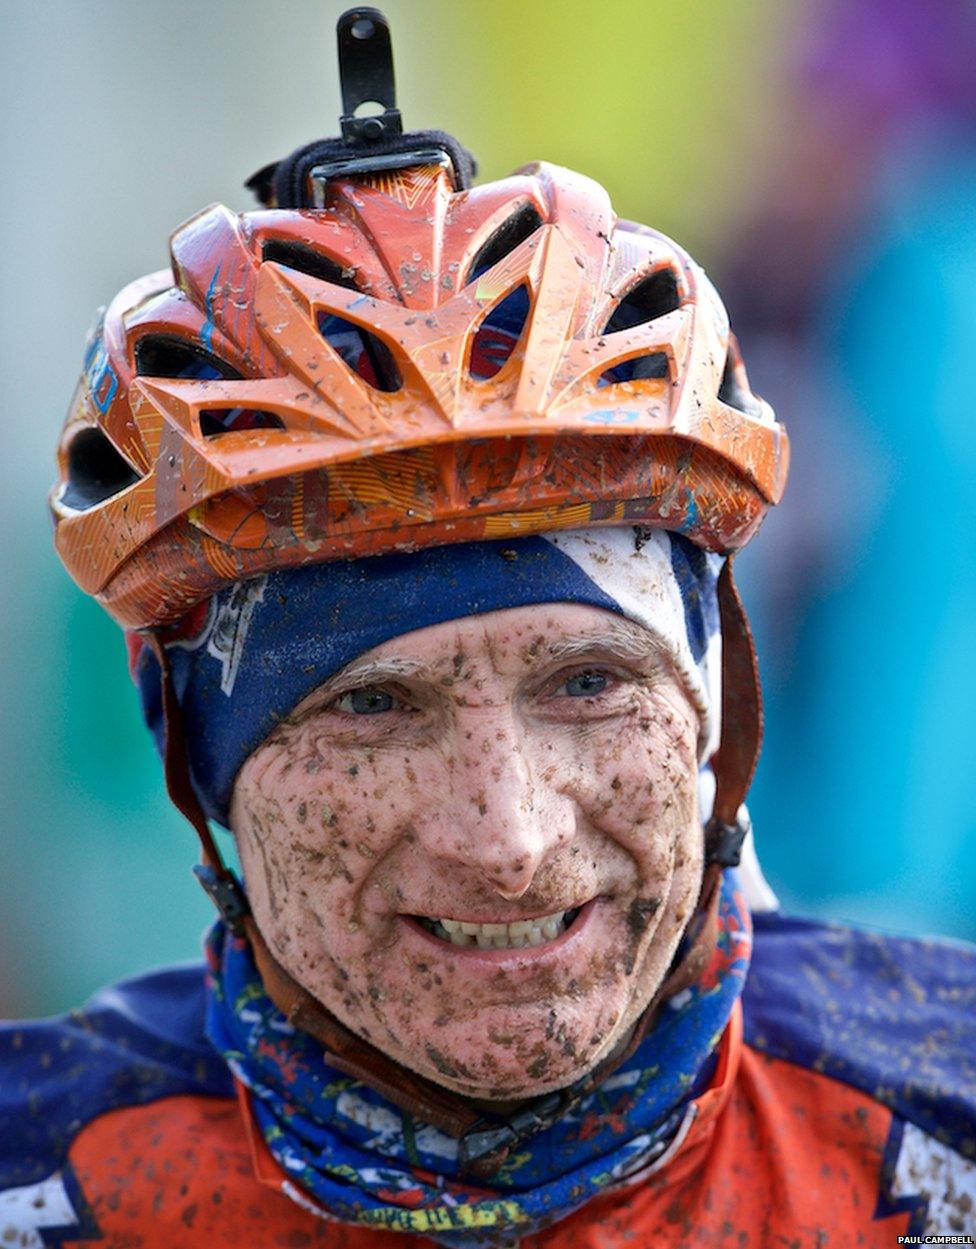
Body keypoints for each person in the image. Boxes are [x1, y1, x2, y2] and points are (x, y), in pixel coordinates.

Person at [2, 11, 973, 1246]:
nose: (506, 839)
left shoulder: (938, 1121)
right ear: (197, 762)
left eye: (585, 682)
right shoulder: (48, 1186)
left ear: (712, 710)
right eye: (368, 704)